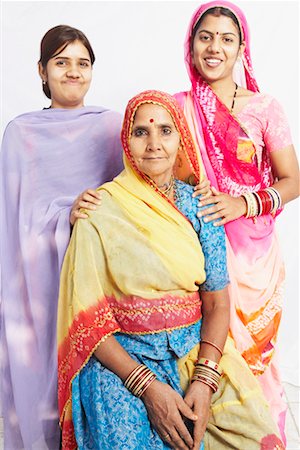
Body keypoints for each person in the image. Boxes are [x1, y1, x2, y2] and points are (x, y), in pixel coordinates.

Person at [57, 90, 284, 450]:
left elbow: (216, 303)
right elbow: (89, 321)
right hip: (122, 363)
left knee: (259, 439)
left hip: (196, 351)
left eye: (165, 130)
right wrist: (146, 387)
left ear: (181, 138)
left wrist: (204, 381)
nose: (154, 143)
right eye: (141, 132)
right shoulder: (99, 210)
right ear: (126, 142)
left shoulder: (201, 207)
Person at [173, 1, 299, 442]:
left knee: (255, 361)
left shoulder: (265, 107)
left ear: (242, 48)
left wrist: (242, 204)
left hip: (256, 258)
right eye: (205, 36)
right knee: (207, 358)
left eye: (227, 38)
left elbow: (293, 181)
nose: (215, 47)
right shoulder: (175, 110)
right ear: (190, 46)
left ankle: (262, 436)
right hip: (196, 251)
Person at [0, 25, 123, 449]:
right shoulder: (21, 133)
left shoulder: (111, 127)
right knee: (42, 383)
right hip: (40, 282)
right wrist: (64, 216)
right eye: (61, 62)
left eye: (82, 63)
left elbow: (130, 198)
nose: (73, 72)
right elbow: (13, 219)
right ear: (42, 70)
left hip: (99, 281)